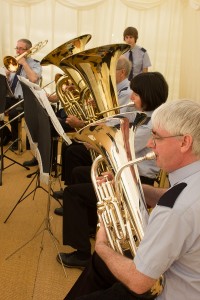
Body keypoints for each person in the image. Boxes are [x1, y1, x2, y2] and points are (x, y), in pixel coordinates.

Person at [64, 99, 200, 300]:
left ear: (184, 142)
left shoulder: (175, 209)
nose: (149, 144)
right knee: (101, 266)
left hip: (164, 291)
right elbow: (174, 199)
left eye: (157, 137)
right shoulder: (190, 182)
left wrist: (102, 246)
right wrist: (130, 187)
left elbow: (139, 282)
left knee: (102, 262)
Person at [55, 71, 168, 270]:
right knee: (80, 172)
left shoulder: (151, 124)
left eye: (136, 94)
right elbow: (117, 124)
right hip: (126, 173)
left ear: (148, 95)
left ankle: (81, 253)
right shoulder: (141, 114)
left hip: (137, 180)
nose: (131, 98)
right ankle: (90, 225)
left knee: (73, 194)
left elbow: (124, 148)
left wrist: (97, 143)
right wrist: (99, 125)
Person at [53, 56, 133, 198]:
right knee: (70, 147)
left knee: (73, 151)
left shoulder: (126, 94)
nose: (104, 76)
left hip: (111, 142)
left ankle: (74, 192)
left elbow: (114, 124)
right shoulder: (113, 90)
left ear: (122, 72)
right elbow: (103, 117)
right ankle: (70, 188)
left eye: (110, 71)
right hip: (103, 135)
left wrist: (81, 124)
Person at [5, 38, 42, 150]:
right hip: (11, 97)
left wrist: (24, 64)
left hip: (26, 100)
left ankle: (16, 142)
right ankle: (7, 135)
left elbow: (34, 79)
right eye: (17, 48)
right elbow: (7, 84)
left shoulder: (36, 64)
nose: (18, 51)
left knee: (12, 114)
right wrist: (6, 76)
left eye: (21, 49)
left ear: (29, 50)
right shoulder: (12, 62)